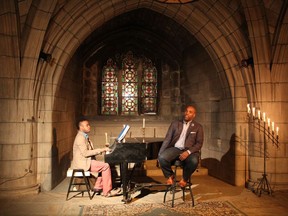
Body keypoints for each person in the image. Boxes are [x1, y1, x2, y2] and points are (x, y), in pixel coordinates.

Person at [70, 117, 118, 197]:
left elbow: (89, 151)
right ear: (81, 127)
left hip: (86, 161)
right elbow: (85, 153)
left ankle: (98, 186)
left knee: (102, 164)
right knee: (105, 166)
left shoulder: (84, 136)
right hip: (82, 163)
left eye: (89, 125)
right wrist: (101, 150)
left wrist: (102, 150)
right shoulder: (80, 138)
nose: (89, 126)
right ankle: (107, 192)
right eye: (87, 125)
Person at [158, 105, 204, 187]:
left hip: (190, 151)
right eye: (186, 111)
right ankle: (170, 175)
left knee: (194, 161)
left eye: (190, 112)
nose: (187, 113)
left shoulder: (198, 127)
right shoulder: (175, 124)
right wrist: (160, 153)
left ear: (194, 115)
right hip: (176, 149)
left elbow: (199, 144)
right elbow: (167, 139)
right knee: (162, 157)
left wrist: (188, 152)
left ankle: (185, 179)